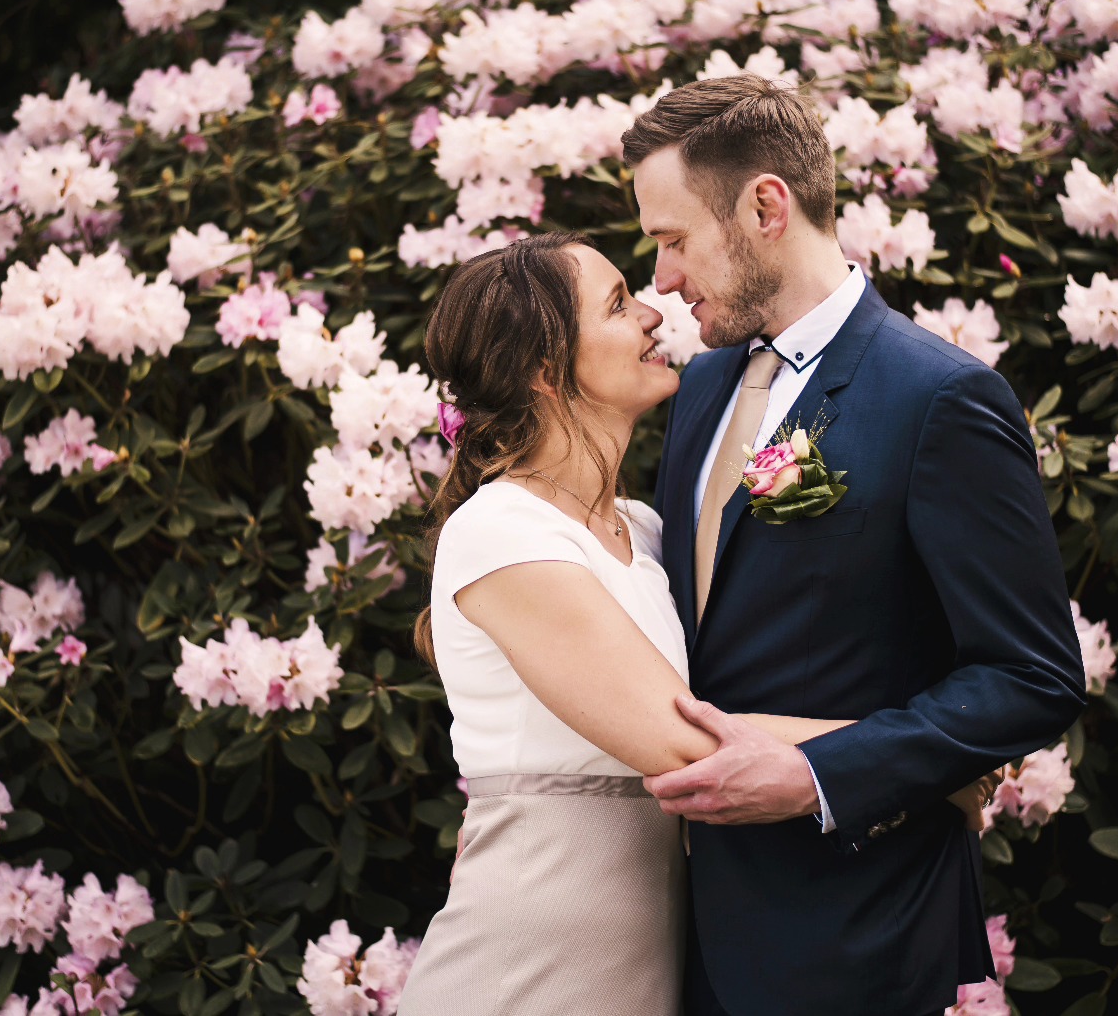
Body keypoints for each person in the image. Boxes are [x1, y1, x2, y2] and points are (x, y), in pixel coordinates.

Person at [396, 233, 997, 1016]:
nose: (652, 314)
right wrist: (932, 760)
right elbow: (685, 744)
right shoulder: (502, 531)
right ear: (546, 371)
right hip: (530, 959)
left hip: (646, 959)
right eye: (616, 305)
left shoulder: (643, 531)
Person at [621, 74, 1088, 1016]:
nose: (661, 281)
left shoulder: (940, 401)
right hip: (679, 928)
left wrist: (815, 774)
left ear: (765, 206)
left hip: (852, 930)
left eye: (674, 241)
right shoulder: (702, 389)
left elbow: (1032, 676)